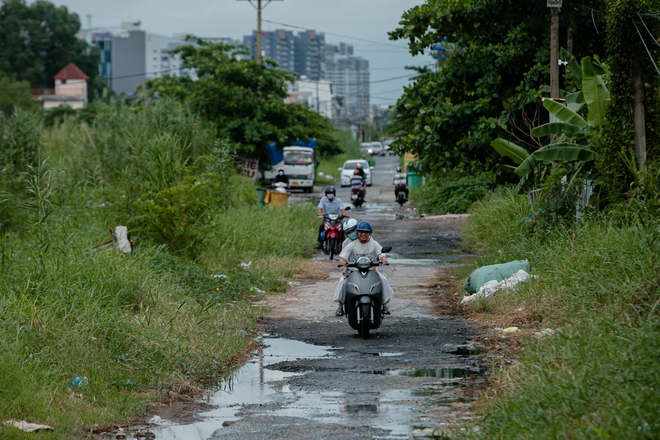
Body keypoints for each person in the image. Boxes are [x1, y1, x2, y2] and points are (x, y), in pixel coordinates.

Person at [334, 221, 393, 316]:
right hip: (353, 270)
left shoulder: (374, 243)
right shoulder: (351, 244)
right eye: (361, 232)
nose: (363, 234)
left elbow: (381, 253)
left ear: (370, 233)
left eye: (366, 232)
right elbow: (343, 255)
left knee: (383, 280)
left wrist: (383, 259)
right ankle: (340, 306)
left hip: (371, 270)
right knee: (343, 281)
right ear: (358, 233)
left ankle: (384, 305)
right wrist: (342, 261)